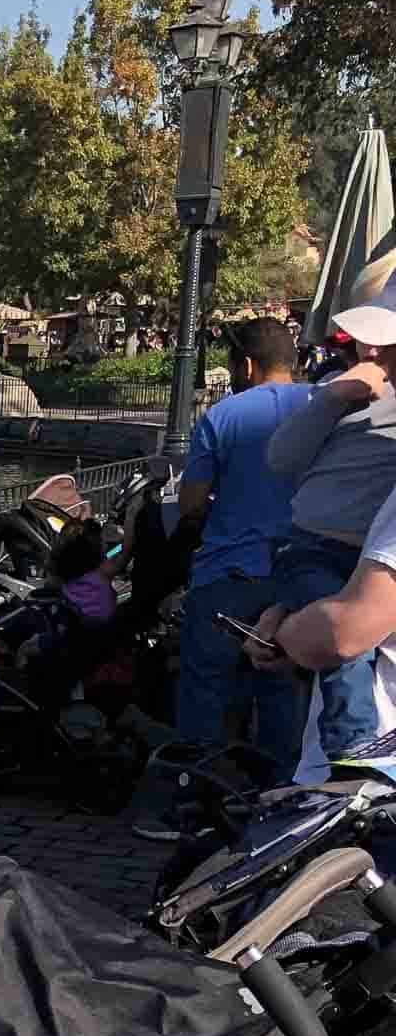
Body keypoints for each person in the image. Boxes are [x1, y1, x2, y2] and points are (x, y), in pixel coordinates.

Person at [256, 273, 396, 763]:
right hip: (314, 548)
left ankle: (354, 747)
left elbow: (345, 632)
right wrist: (336, 397)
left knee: (343, 653)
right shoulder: (341, 394)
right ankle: (349, 751)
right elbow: (281, 458)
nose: (372, 353)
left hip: (355, 562)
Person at [172, 316, 310, 774]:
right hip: (298, 576)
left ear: (247, 365)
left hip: (228, 576)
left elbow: (191, 503)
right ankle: (277, 800)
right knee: (282, 690)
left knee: (206, 688)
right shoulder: (322, 407)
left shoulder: (223, 415)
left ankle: (199, 796)